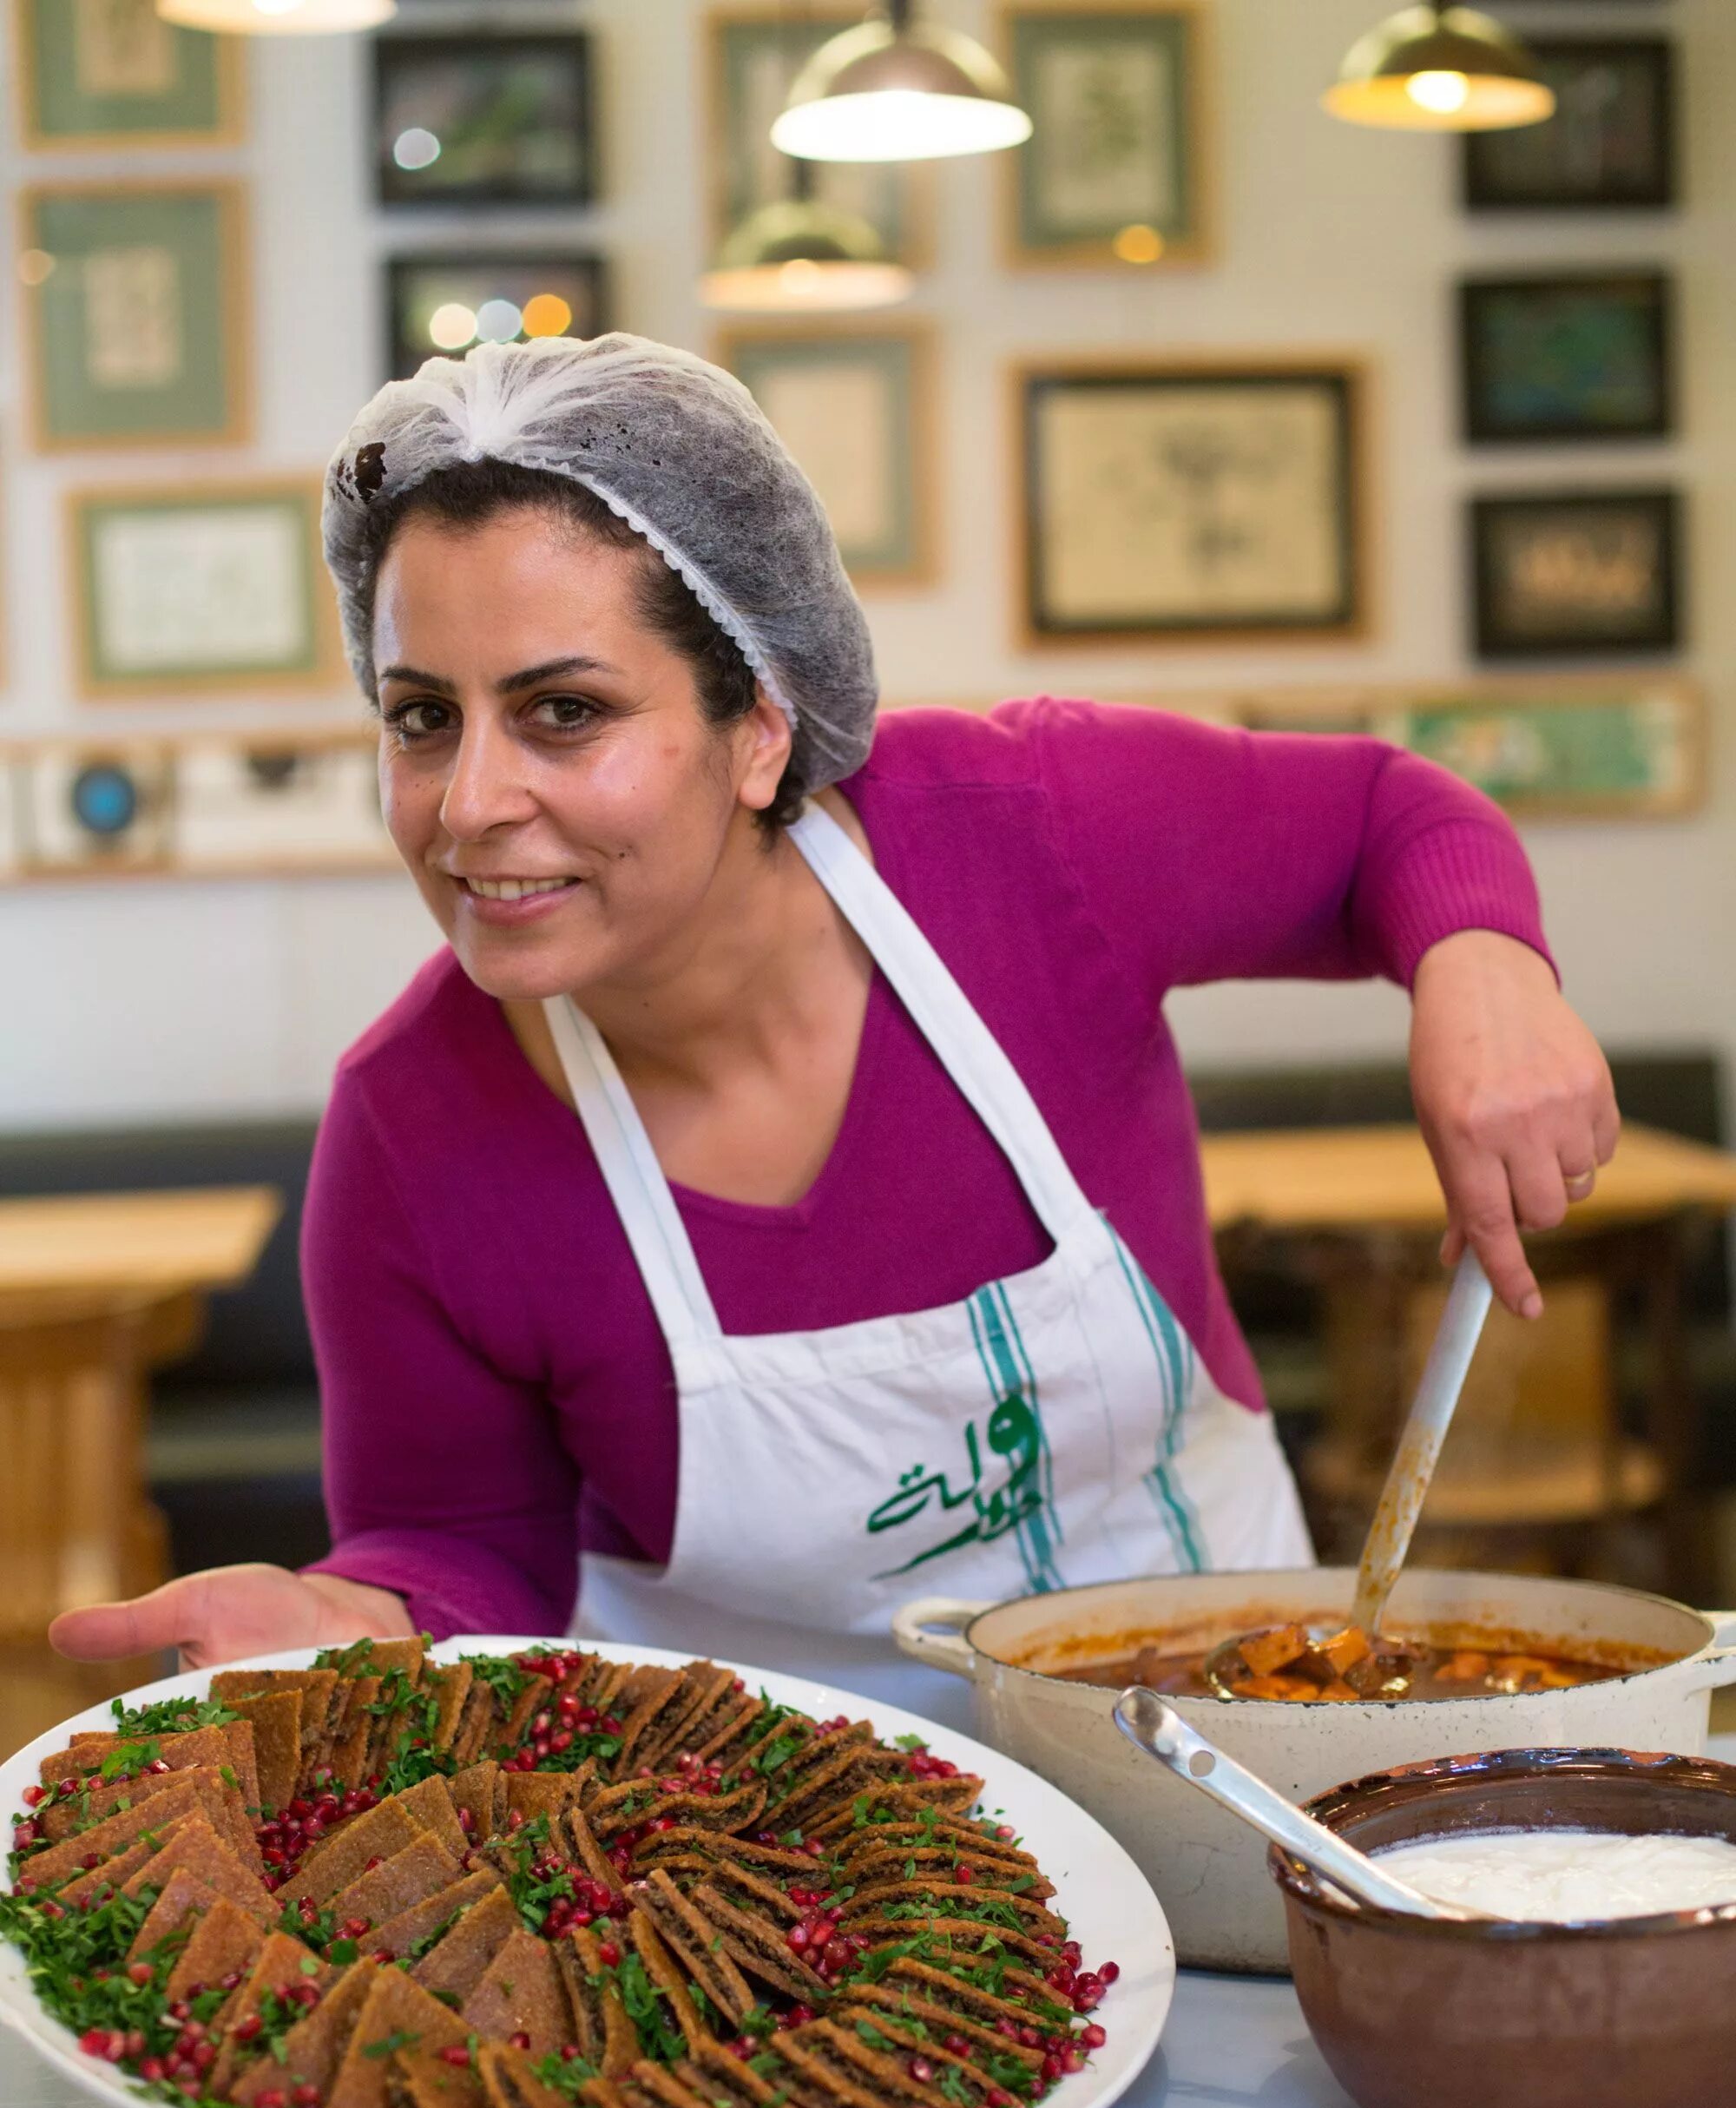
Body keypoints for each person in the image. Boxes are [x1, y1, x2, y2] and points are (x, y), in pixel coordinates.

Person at [50, 334, 1617, 1716]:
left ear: (760, 730)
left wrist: (1488, 967)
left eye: (565, 712)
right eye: (420, 718)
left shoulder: (1022, 835)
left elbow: (1380, 824)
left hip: (1231, 1716)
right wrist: (354, 1617)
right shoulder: (414, 1138)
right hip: (778, 1869)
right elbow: (466, 1549)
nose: (469, 805)